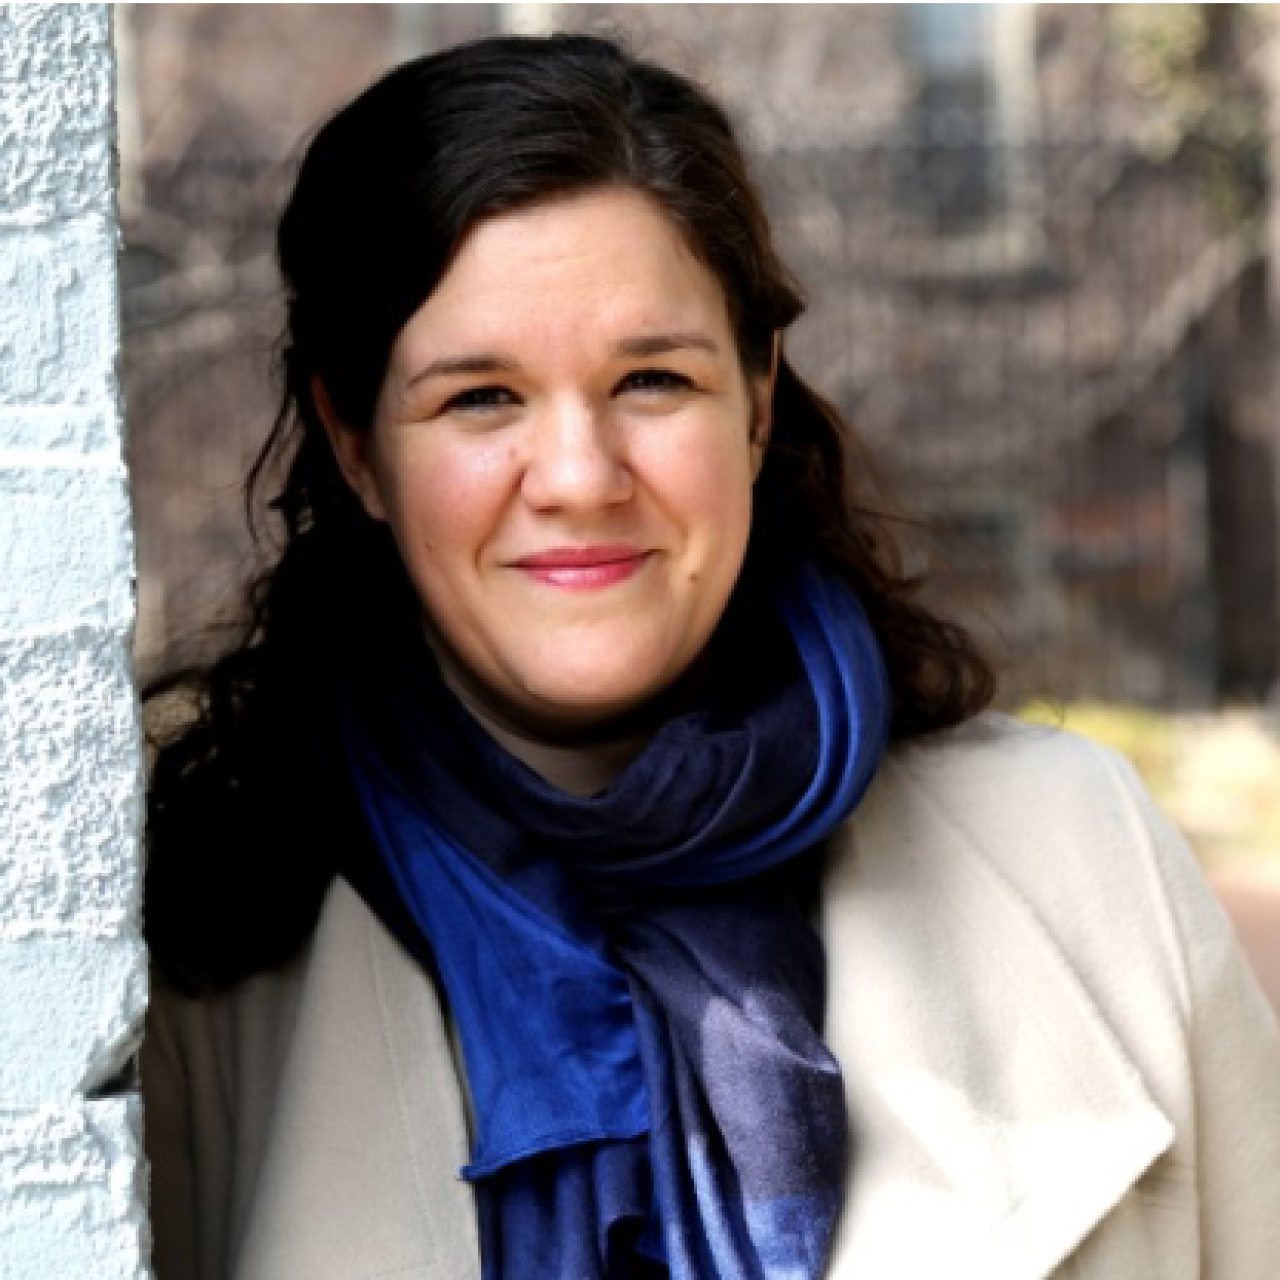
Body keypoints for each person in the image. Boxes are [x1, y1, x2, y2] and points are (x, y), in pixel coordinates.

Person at [140, 33, 1280, 1280]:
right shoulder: (192, 965)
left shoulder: (1080, 856)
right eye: (480, 397)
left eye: (650, 378)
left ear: (754, 397)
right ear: (354, 445)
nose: (578, 477)